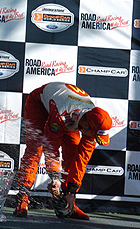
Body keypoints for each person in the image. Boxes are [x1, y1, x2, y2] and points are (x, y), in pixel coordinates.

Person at [14, 82, 112, 220]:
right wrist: (55, 178)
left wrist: (72, 191)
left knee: (72, 152)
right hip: (40, 104)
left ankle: (67, 202)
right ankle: (22, 198)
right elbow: (50, 146)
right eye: (92, 133)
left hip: (70, 112)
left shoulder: (93, 121)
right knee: (36, 148)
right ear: (85, 124)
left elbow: (82, 159)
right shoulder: (63, 114)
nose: (92, 136)